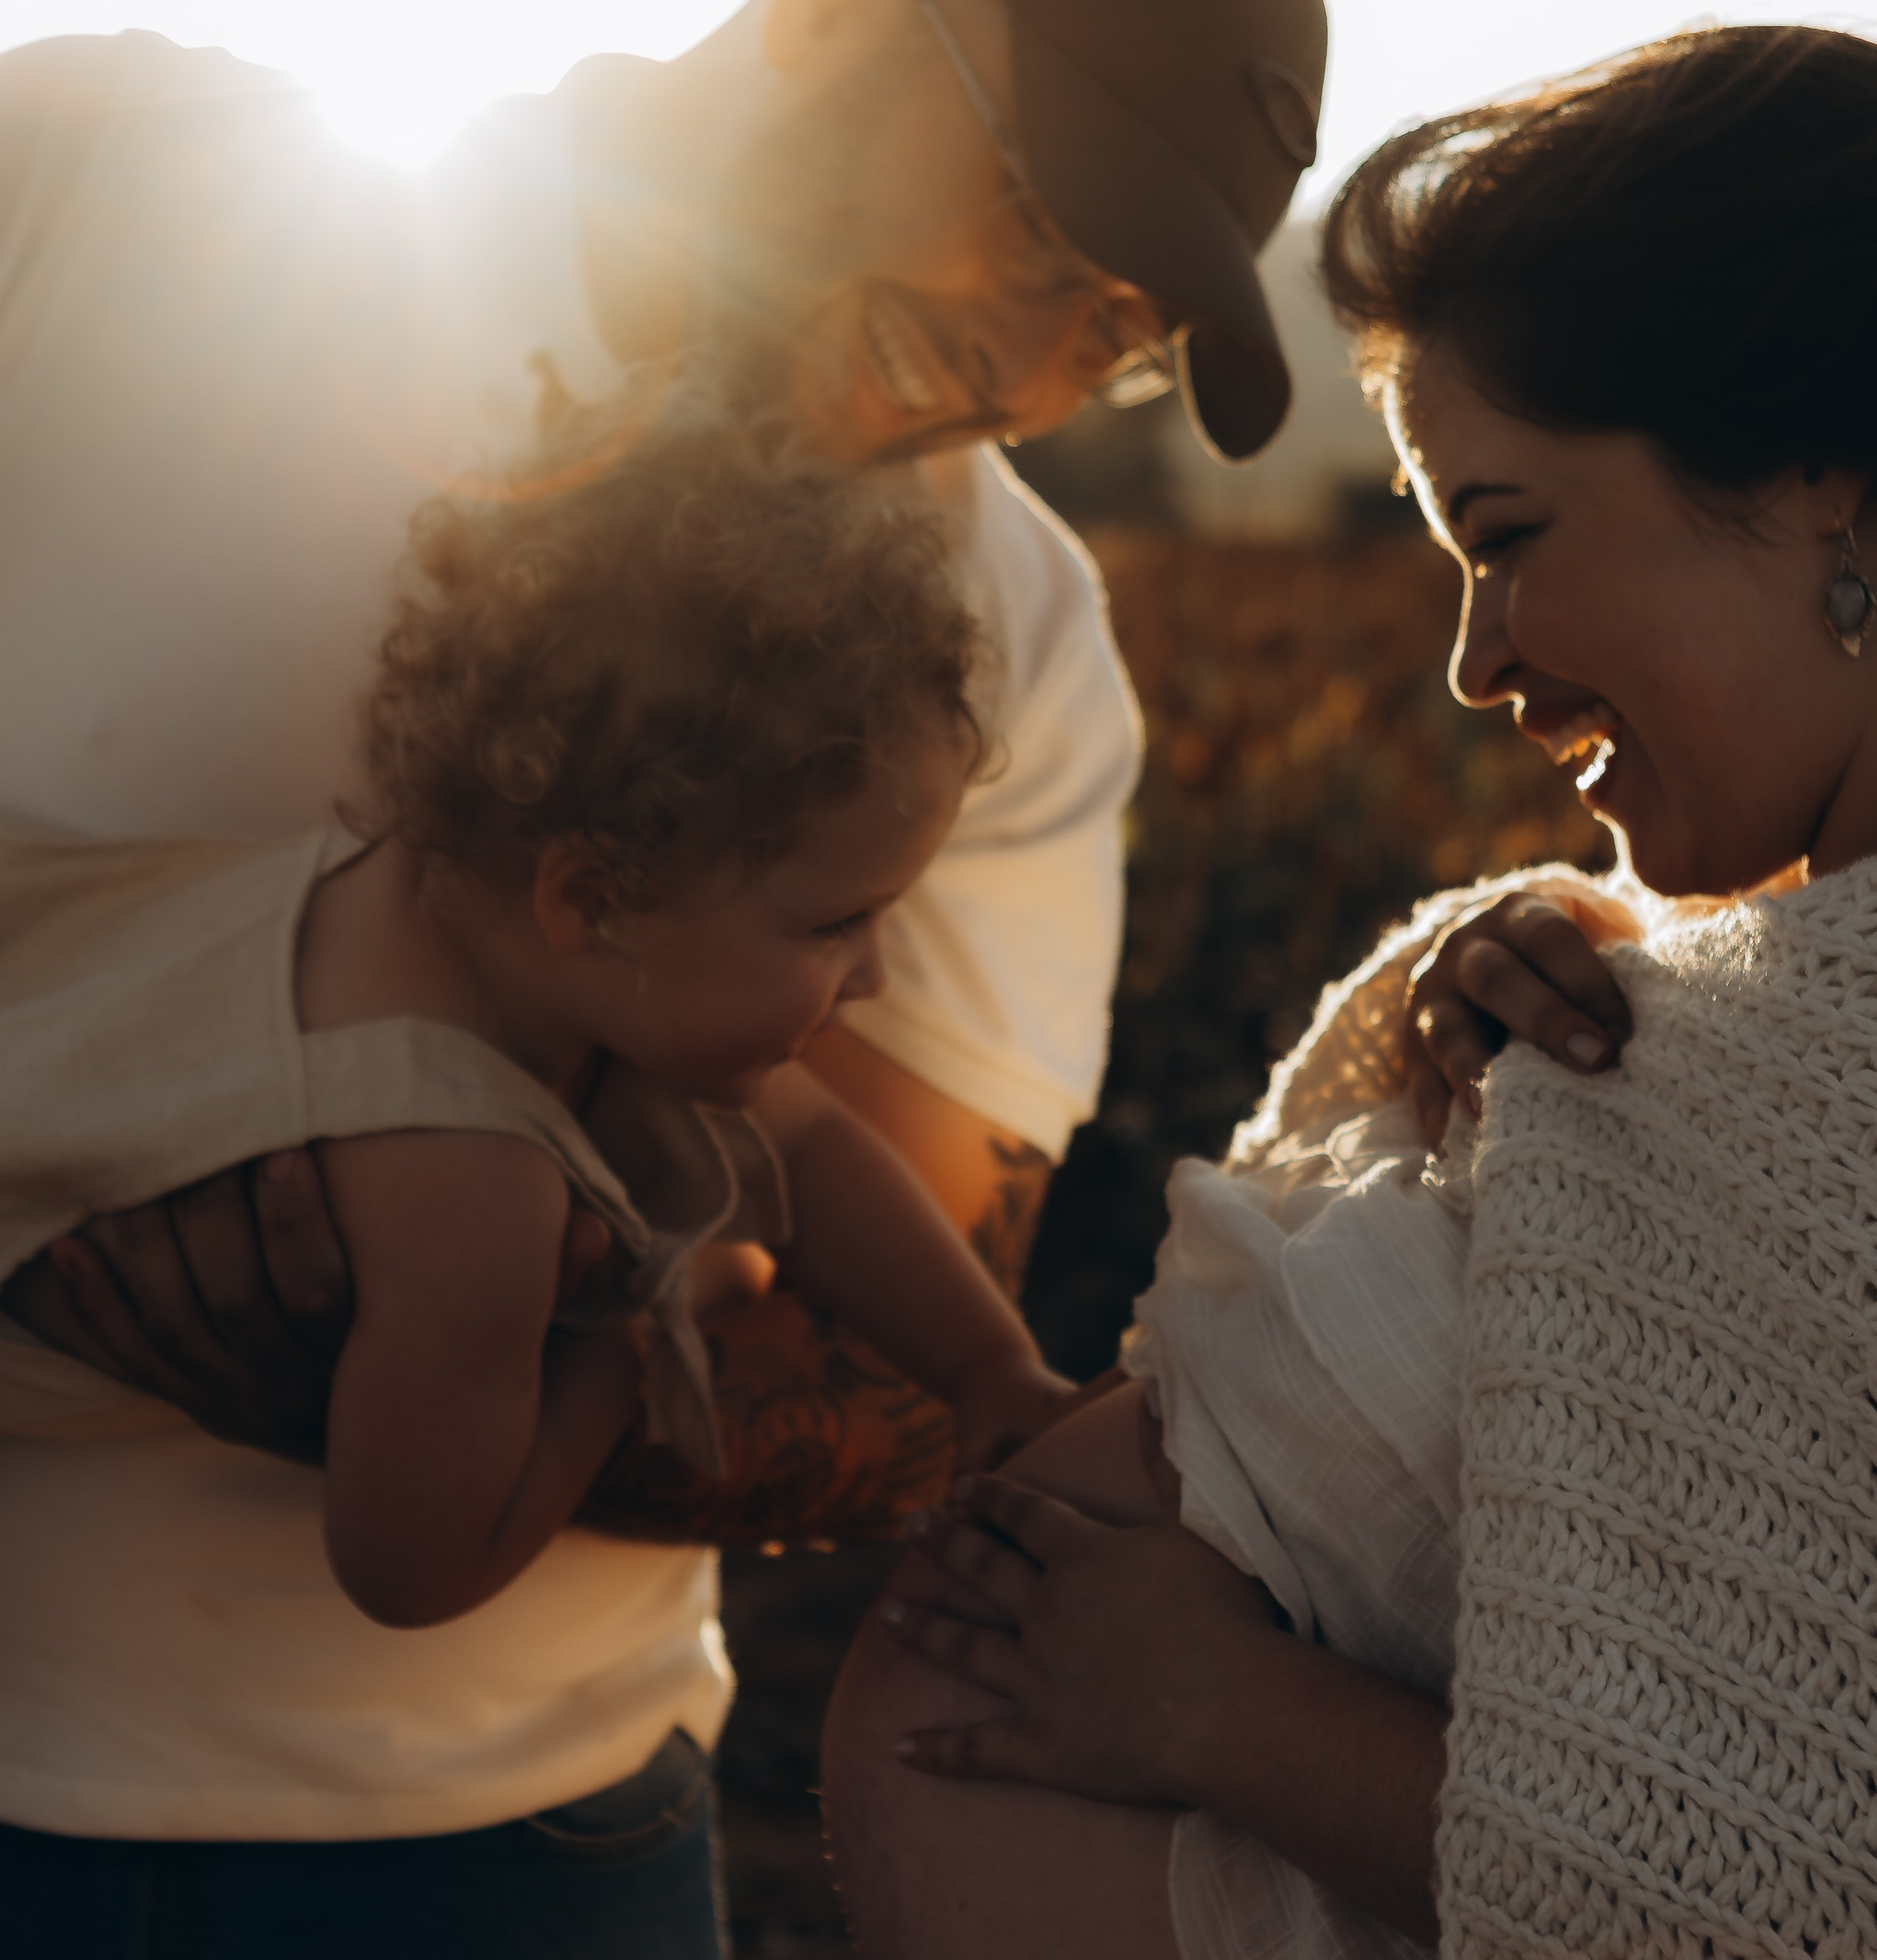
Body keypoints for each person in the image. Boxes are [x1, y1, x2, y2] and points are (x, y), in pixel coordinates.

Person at [0, 3, 1326, 1953]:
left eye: (1115, 337)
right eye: (1044, 232)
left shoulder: (992, 641)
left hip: (501, 1844)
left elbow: (869, 1346)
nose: (1033, 376)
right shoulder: (99, 183)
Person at [820, 24, 1877, 1958]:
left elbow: (1856, 1871)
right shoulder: (1680, 998)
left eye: (1504, 539)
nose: (1469, 663)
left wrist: (1222, 1714)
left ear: (1811, 475)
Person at [2, 390, 1083, 1632]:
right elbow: (410, 1564)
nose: (877, 978)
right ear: (589, 898)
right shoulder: (471, 1182)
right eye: (837, 925)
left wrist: (987, 1367)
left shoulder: (456, 913)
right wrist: (606, 1365)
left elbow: (815, 1150)